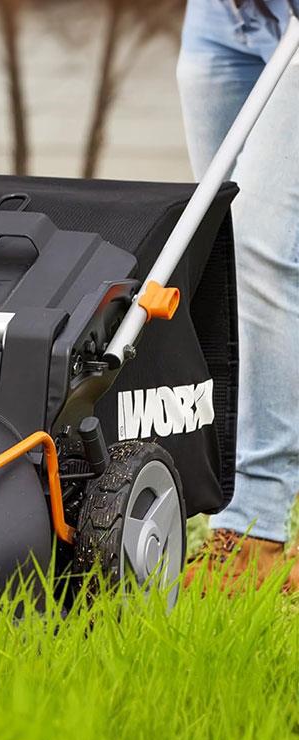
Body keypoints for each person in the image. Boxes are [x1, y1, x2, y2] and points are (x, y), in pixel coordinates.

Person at [176, 0, 299, 591]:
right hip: (222, 15)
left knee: (259, 242)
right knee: (221, 240)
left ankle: (256, 528)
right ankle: (240, 518)